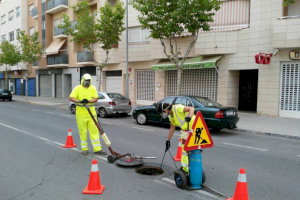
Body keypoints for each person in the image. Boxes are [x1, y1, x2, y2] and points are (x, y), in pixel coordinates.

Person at [69, 73, 106, 155]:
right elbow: (71, 97)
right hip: (81, 113)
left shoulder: (92, 88)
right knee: (83, 131)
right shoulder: (77, 88)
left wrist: (88, 101)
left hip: (91, 112)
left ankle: (97, 149)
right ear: (83, 80)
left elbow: (96, 98)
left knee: (95, 131)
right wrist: (79, 101)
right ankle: (84, 149)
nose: (87, 82)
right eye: (86, 81)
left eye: (89, 81)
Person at [156, 102, 195, 173]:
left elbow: (191, 108)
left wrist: (189, 116)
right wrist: (168, 140)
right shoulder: (170, 116)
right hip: (186, 130)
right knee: (184, 150)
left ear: (166, 109)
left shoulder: (177, 108)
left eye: (163, 112)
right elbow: (172, 128)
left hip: (194, 127)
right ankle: (185, 168)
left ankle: (189, 168)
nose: (162, 114)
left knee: (189, 150)